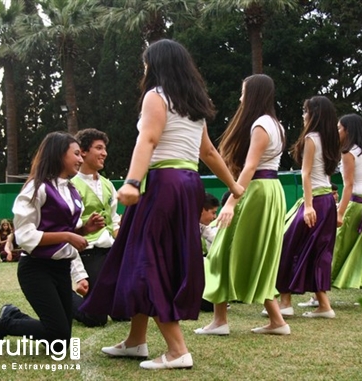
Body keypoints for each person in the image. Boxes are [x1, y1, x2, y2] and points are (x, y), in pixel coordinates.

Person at [80, 39, 243, 370]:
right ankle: (136, 341)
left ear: (155, 65)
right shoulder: (193, 105)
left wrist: (131, 182)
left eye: (145, 63)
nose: (144, 69)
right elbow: (208, 153)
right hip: (187, 184)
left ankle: (177, 349)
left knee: (148, 260)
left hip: (162, 184)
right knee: (146, 256)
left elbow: (149, 140)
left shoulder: (156, 96)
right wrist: (233, 185)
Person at [0, 131, 104, 360]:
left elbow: (64, 233)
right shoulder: (37, 188)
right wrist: (67, 235)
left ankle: (11, 314)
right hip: (36, 269)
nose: (80, 158)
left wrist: (84, 230)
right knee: (58, 334)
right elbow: (24, 236)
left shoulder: (72, 191)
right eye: (76, 153)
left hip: (60, 269)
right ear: (58, 155)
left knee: (60, 342)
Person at [196, 74, 289, 336]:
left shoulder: (260, 124)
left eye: (243, 91)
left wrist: (232, 202)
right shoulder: (275, 124)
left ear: (254, 94)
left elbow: (250, 167)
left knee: (221, 250)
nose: (240, 97)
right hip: (269, 190)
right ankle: (275, 321)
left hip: (255, 190)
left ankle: (220, 321)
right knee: (257, 255)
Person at [274, 95, 340, 319]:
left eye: (306, 112)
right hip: (327, 202)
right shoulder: (331, 139)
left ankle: (286, 301)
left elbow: (306, 173)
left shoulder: (311, 138)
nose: (303, 116)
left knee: (288, 244)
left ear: (314, 115)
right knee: (318, 252)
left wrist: (309, 206)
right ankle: (322, 305)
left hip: (316, 202)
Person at [69, 128, 121, 328]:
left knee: (124, 313)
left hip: (109, 251)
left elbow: (114, 220)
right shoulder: (70, 185)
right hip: (86, 252)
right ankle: (63, 296)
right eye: (98, 148)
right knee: (95, 319)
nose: (104, 153)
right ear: (82, 151)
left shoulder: (108, 185)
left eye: (105, 148)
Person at [330, 114, 362, 289]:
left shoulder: (348, 153)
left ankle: (321, 293)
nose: (337, 132)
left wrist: (340, 212)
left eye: (339, 129)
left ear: (347, 131)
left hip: (356, 203)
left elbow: (348, 185)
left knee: (338, 245)